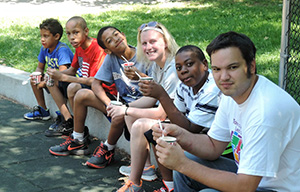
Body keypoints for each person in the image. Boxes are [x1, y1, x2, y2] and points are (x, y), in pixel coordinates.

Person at [152, 31, 300, 192]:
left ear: (251, 66)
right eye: (217, 69)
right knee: (187, 163)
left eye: (232, 67)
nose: (223, 77)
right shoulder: (232, 95)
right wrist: (180, 135)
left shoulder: (266, 112)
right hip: (250, 176)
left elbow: (245, 187)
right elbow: (213, 146)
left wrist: (182, 164)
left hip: (277, 188)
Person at [115, 45, 221, 192]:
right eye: (179, 67)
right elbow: (176, 114)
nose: (183, 70)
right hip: (194, 132)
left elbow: (191, 129)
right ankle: (167, 185)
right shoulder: (185, 86)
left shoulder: (212, 90)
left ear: (204, 64)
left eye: (189, 64)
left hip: (212, 144)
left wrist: (161, 95)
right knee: (157, 132)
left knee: (167, 137)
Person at [48, 26, 149, 158]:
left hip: (143, 104)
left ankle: (109, 148)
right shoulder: (111, 58)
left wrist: (139, 75)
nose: (116, 39)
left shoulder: (143, 55)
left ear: (123, 35)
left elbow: (156, 87)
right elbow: (95, 83)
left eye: (116, 34)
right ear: (107, 50)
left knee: (120, 114)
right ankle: (78, 139)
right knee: (81, 94)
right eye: (110, 40)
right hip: (122, 102)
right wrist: (110, 104)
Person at [105, 21, 180, 192]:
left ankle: (135, 183)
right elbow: (150, 98)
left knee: (139, 124)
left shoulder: (173, 69)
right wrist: (124, 107)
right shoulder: (155, 65)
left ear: (165, 42)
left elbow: (162, 112)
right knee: (130, 115)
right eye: (144, 43)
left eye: (153, 42)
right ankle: (146, 169)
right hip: (171, 116)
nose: (148, 47)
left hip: (184, 120)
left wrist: (125, 109)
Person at [45, 16, 107, 137]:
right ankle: (69, 121)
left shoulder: (97, 48)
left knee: (72, 87)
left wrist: (63, 77)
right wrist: (54, 74)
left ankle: (79, 131)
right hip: (85, 83)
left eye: (76, 32)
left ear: (86, 31)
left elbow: (94, 81)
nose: (72, 37)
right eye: (68, 34)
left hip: (98, 88)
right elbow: (72, 70)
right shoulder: (79, 47)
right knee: (51, 82)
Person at [24, 18, 73, 123]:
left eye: (46, 36)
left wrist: (42, 83)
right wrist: (37, 76)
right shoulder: (44, 49)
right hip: (52, 78)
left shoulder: (62, 50)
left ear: (56, 36)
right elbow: (40, 68)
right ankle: (43, 110)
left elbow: (62, 74)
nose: (42, 39)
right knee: (34, 79)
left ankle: (65, 116)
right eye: (41, 36)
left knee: (51, 82)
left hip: (67, 81)